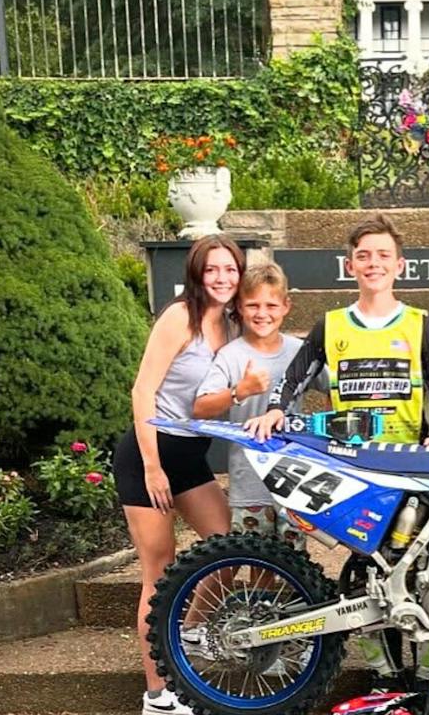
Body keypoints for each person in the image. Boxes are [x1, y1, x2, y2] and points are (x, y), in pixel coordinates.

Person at [246, 213, 429, 687]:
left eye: (383, 255)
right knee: (364, 575)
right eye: (364, 255)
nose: (373, 263)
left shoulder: (421, 325)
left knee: (423, 572)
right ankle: (384, 675)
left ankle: (428, 674)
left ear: (400, 266)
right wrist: (276, 409)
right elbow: (294, 377)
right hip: (354, 467)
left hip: (408, 468)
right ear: (350, 265)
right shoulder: (331, 325)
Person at [112, 234, 243, 715]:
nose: (222, 278)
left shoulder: (229, 325)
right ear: (196, 273)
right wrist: (151, 465)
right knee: (159, 570)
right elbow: (142, 390)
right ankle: (158, 696)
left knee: (227, 545)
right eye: (212, 270)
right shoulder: (180, 317)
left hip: (191, 456)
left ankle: (185, 635)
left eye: (230, 269)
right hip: (150, 453)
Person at [193, 262, 302, 543]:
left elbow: (335, 388)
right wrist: (239, 390)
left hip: (295, 480)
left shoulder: (299, 352)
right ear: (240, 307)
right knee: (257, 562)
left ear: (286, 306)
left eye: (271, 305)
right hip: (250, 481)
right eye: (253, 305)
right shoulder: (231, 355)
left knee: (296, 564)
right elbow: (201, 407)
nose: (262, 313)